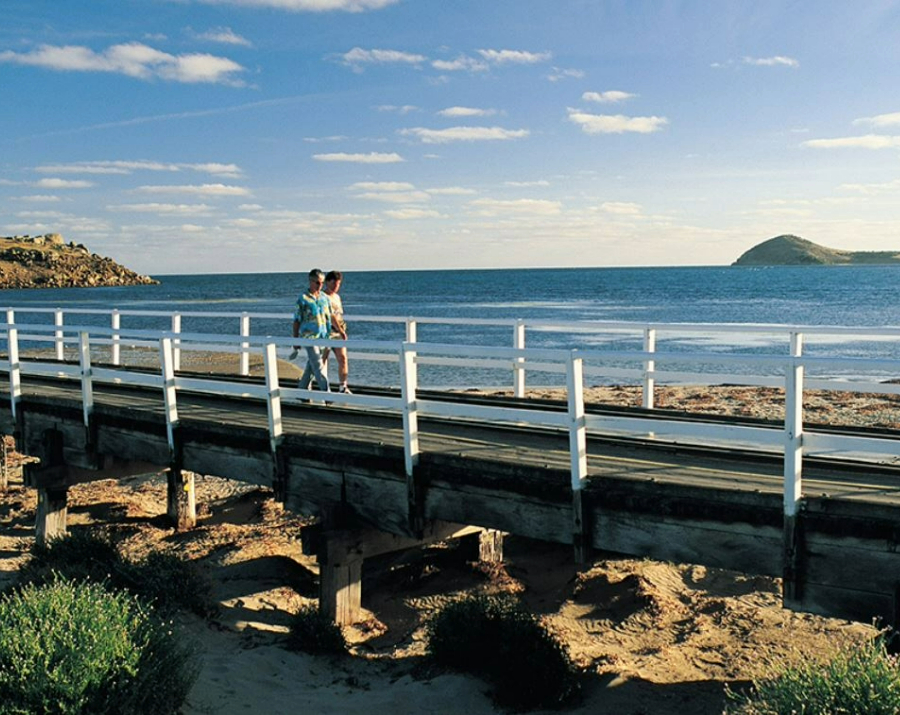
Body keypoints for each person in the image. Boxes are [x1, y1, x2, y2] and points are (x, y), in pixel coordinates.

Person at [292, 268, 331, 393]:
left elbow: (329, 316)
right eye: (317, 282)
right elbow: (297, 320)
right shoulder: (303, 298)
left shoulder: (324, 298)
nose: (320, 286)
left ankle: (302, 391)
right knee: (318, 365)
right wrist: (296, 339)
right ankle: (327, 394)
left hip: (323, 336)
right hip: (309, 337)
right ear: (310, 281)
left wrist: (339, 331)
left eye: (322, 283)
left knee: (312, 365)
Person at [322, 270, 351, 394]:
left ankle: (343, 386)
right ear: (327, 282)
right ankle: (318, 386)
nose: (335, 287)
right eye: (333, 283)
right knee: (322, 360)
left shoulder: (337, 297)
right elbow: (331, 316)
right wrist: (340, 329)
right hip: (327, 332)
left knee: (343, 358)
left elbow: (339, 315)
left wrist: (342, 328)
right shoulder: (323, 297)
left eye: (338, 284)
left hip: (338, 332)